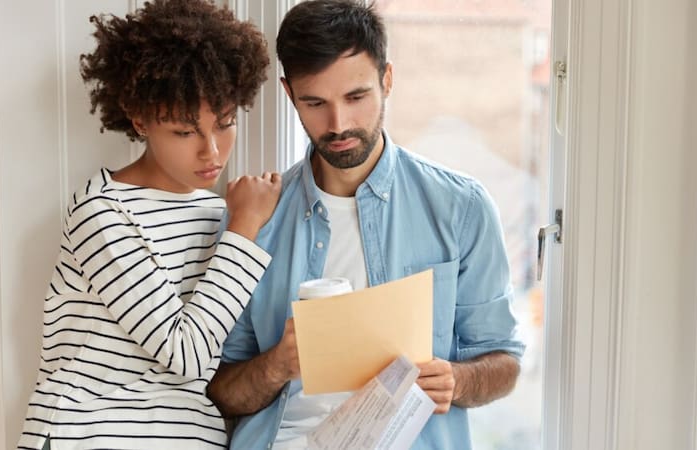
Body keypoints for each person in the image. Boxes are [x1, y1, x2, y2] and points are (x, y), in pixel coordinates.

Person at [206, 0, 525, 448]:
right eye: (315, 103)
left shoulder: (460, 207)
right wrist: (276, 365)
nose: (338, 124)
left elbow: (504, 362)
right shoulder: (256, 219)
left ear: (387, 80)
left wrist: (457, 380)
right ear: (289, 94)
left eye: (356, 97)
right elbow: (219, 390)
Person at [17, 1, 281, 449]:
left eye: (225, 124)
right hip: (87, 435)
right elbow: (186, 352)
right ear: (139, 118)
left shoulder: (221, 214)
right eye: (185, 132)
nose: (212, 151)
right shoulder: (101, 213)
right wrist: (244, 227)